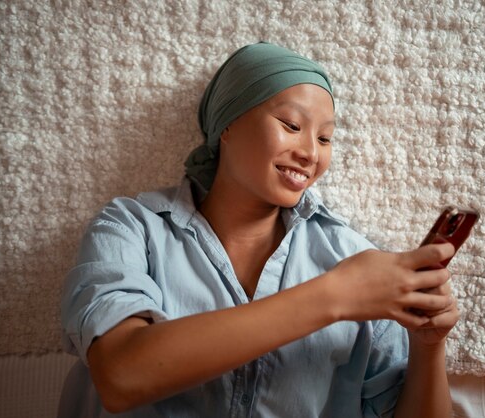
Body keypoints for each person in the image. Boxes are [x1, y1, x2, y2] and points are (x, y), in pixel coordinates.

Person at [59, 42, 459, 418]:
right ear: (227, 126)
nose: (311, 153)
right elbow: (120, 374)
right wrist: (335, 295)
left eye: (325, 137)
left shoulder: (357, 259)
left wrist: (428, 347)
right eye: (290, 125)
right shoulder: (129, 227)